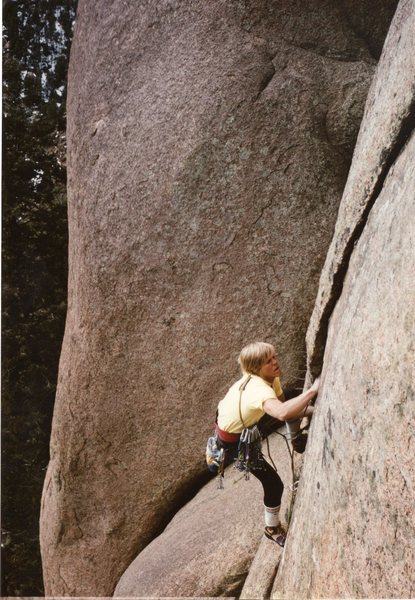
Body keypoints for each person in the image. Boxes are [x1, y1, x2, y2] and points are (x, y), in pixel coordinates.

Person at [214, 341, 320, 546]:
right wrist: (313, 391)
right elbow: (282, 412)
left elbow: (284, 409)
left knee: (287, 405)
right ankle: (271, 528)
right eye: (268, 361)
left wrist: (313, 410)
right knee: (273, 484)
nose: (275, 363)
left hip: (242, 424)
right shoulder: (258, 390)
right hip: (234, 443)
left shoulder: (270, 378)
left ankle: (296, 438)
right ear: (256, 368)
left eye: (274, 357)